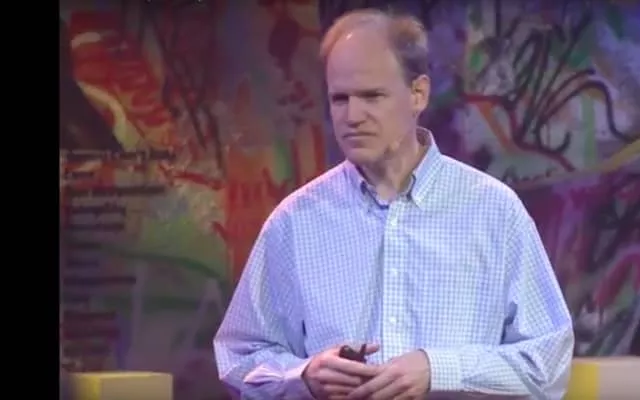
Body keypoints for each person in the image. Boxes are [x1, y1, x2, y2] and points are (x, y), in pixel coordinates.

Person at [214, 8, 574, 400]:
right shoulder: (295, 221)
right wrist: (304, 375)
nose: (352, 116)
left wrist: (439, 369)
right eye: (339, 99)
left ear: (418, 93)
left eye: (372, 96)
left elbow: (547, 364)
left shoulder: (494, 211)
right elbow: (239, 358)